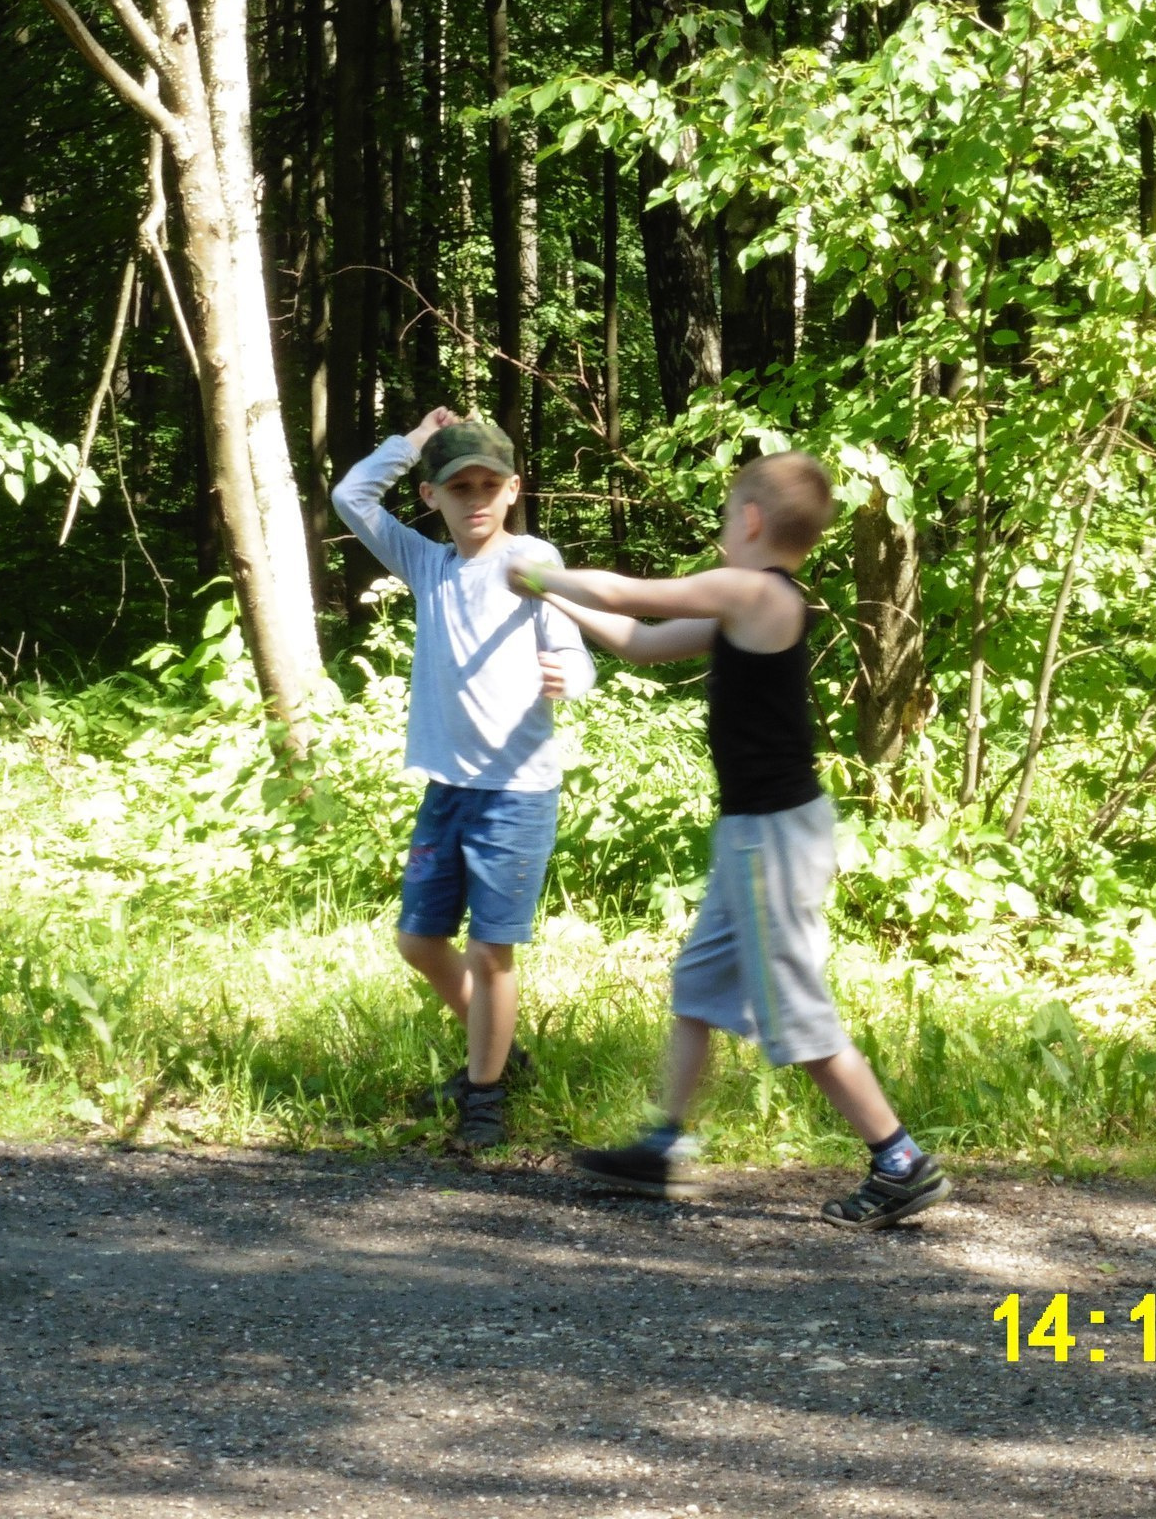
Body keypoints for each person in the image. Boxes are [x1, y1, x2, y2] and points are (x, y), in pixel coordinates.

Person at [509, 450, 951, 1230]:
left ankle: (899, 1159)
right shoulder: (747, 606)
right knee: (701, 986)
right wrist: (556, 598)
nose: (721, 532)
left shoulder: (755, 592)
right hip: (756, 833)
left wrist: (541, 572)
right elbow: (639, 641)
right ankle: (664, 1146)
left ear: (749, 520)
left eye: (724, 518)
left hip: (770, 841)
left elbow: (630, 594)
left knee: (795, 1012)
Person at [330, 408, 594, 1149]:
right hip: (447, 788)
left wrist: (570, 676)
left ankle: (485, 1094)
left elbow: (575, 648)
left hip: (517, 791)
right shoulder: (428, 565)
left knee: (489, 950)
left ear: (513, 489)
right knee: (419, 941)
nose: (475, 499)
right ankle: (502, 1054)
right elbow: (351, 497)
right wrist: (413, 442)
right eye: (458, 487)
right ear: (431, 496)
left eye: (488, 485)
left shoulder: (531, 559)